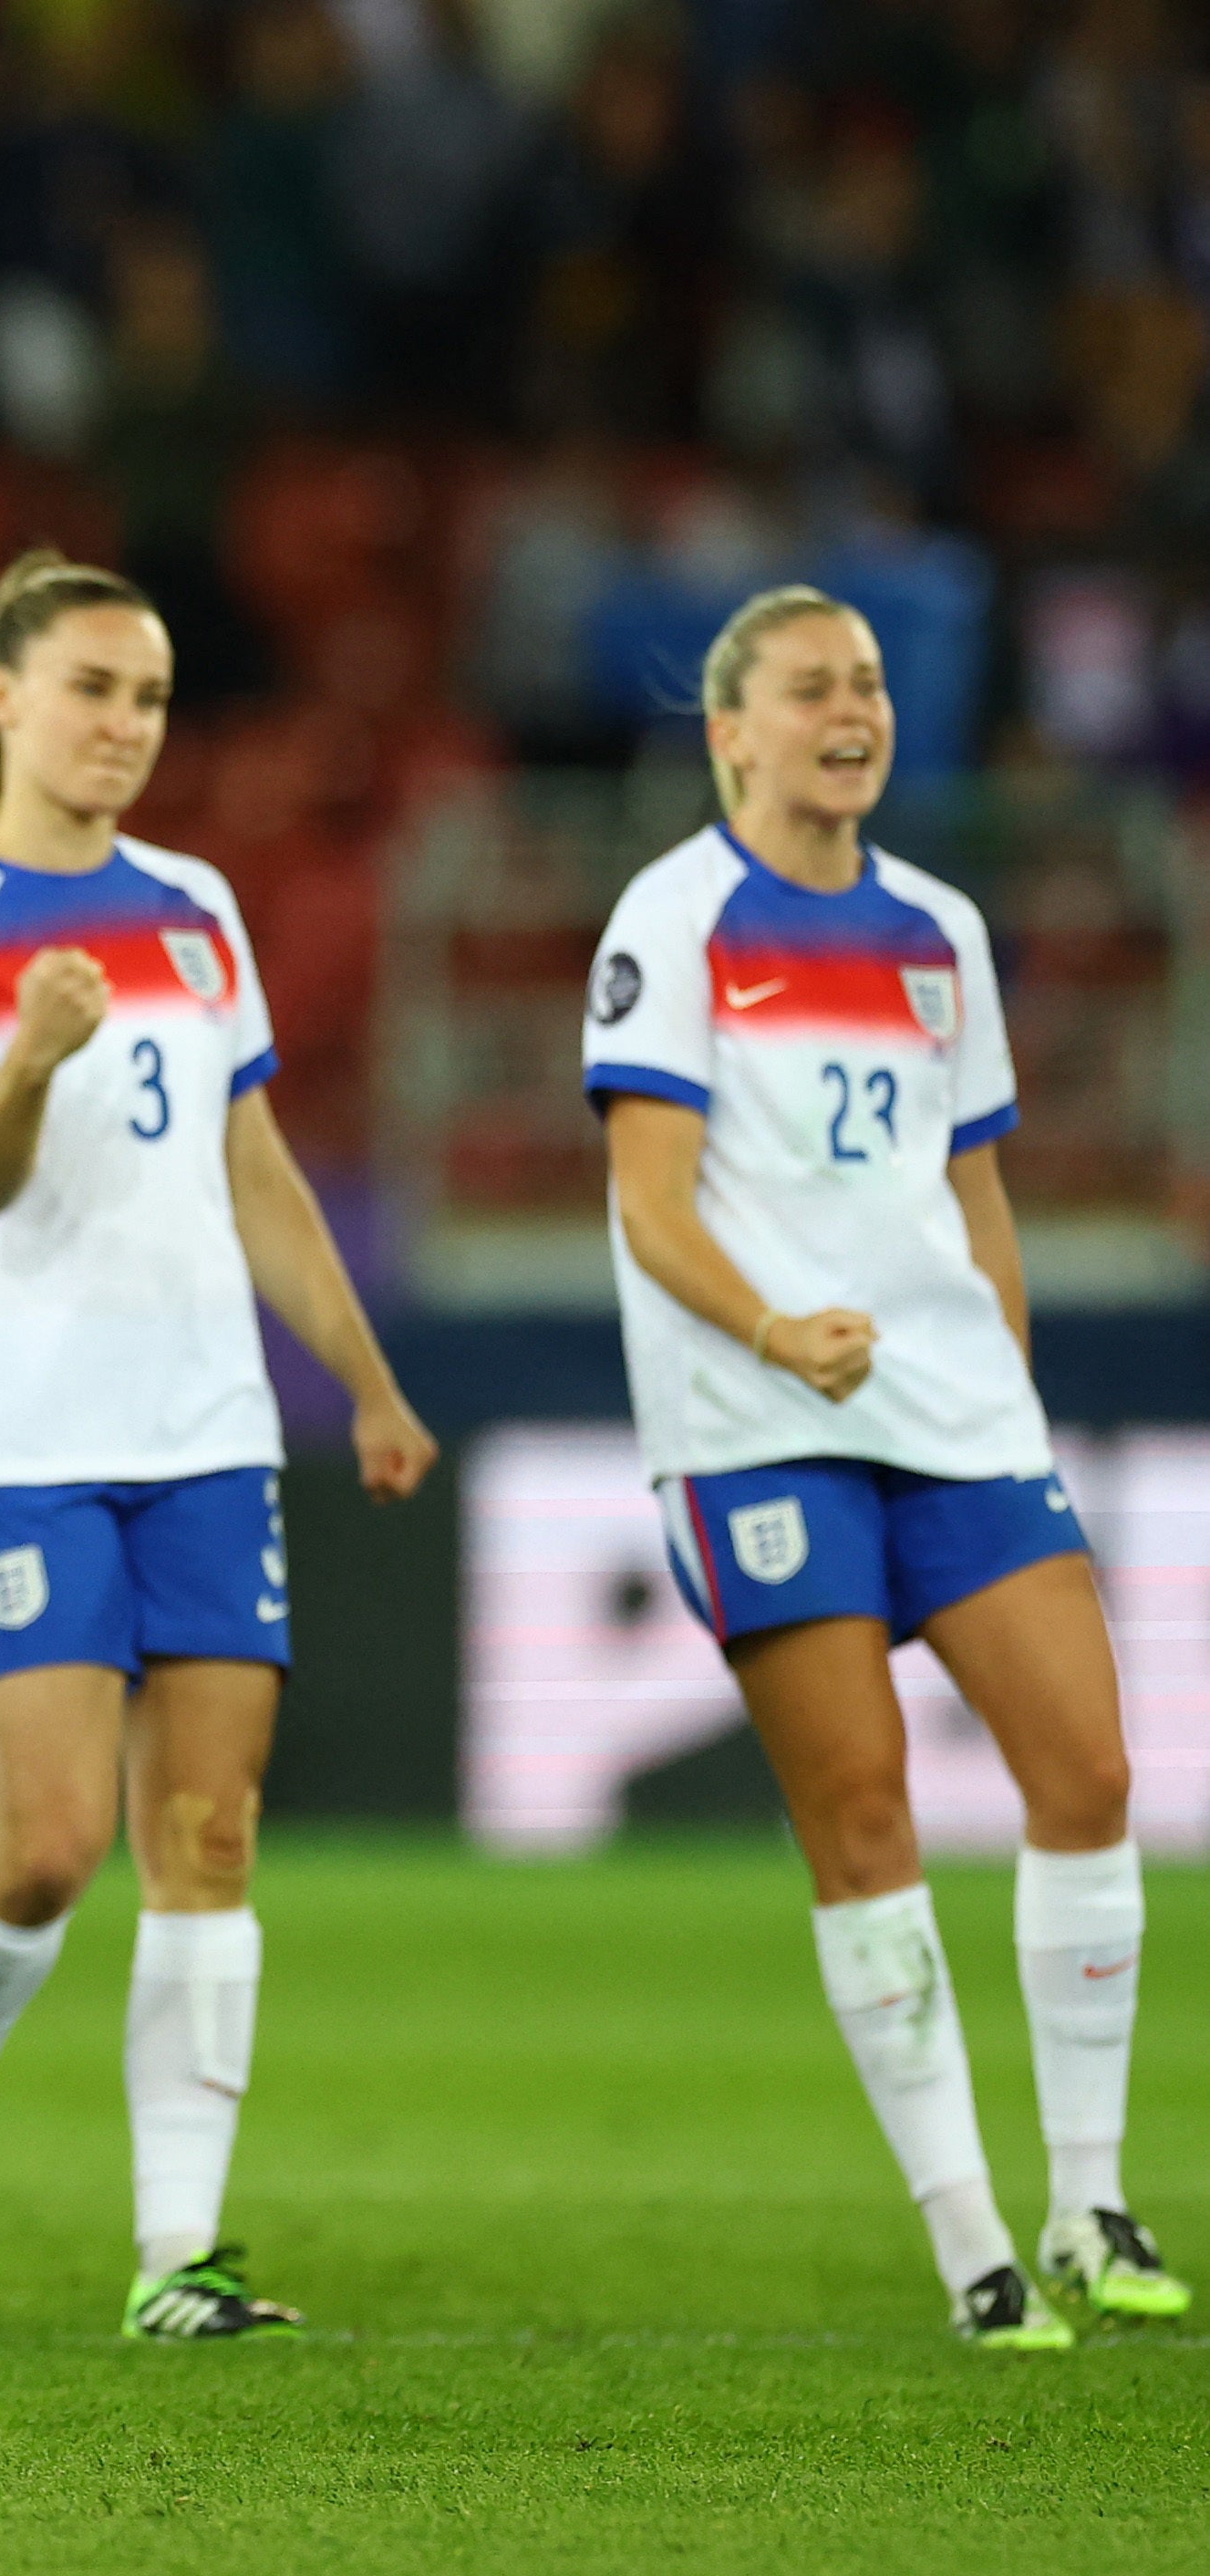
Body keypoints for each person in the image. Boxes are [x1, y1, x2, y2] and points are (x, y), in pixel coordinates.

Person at [581, 585, 1183, 2348]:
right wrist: (777, 1333)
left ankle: (1090, 2200)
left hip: (948, 1411)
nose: (852, 709)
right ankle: (974, 2245)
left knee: (1087, 1768)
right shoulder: (672, 920)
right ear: (731, 732)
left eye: (867, 683)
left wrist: (992, 1360)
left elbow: (973, 1186)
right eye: (809, 688)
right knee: (863, 1817)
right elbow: (646, 1203)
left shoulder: (941, 933)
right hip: (760, 1416)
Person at [0, 550, 434, 2342]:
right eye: (92, 688)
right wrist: (25, 1061)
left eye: (152, 697)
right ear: (3, 696)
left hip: (201, 1430)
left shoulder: (192, 909)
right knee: (41, 1853)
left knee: (208, 1834)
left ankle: (178, 2256)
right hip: (16, 1437)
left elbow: (251, 1170)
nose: (123, 725)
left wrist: (362, 1375)